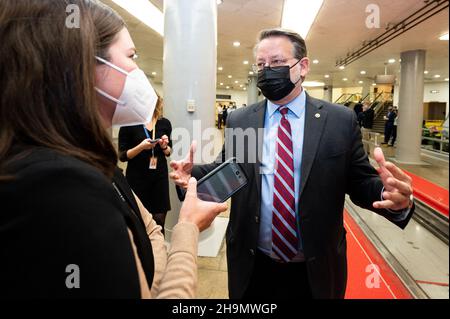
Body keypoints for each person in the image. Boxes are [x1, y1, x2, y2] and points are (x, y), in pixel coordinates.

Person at [0, 0, 227, 298]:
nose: (137, 70)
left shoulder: (93, 164)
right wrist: (187, 227)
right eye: (131, 56)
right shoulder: (61, 189)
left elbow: (151, 233)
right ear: (81, 65)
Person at [170, 28, 414, 299]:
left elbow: (359, 182)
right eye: (261, 64)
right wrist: (192, 176)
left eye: (276, 62)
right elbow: (231, 171)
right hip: (254, 265)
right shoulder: (243, 120)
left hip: (315, 269)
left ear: (303, 66)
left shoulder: (339, 121)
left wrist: (388, 194)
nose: (266, 70)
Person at [118, 95, 172, 235]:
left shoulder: (164, 123)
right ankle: (144, 253)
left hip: (159, 175)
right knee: (139, 220)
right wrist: (140, 147)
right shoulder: (128, 124)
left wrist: (165, 146)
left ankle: (158, 253)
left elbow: (168, 152)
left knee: (159, 219)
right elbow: (122, 156)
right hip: (137, 177)